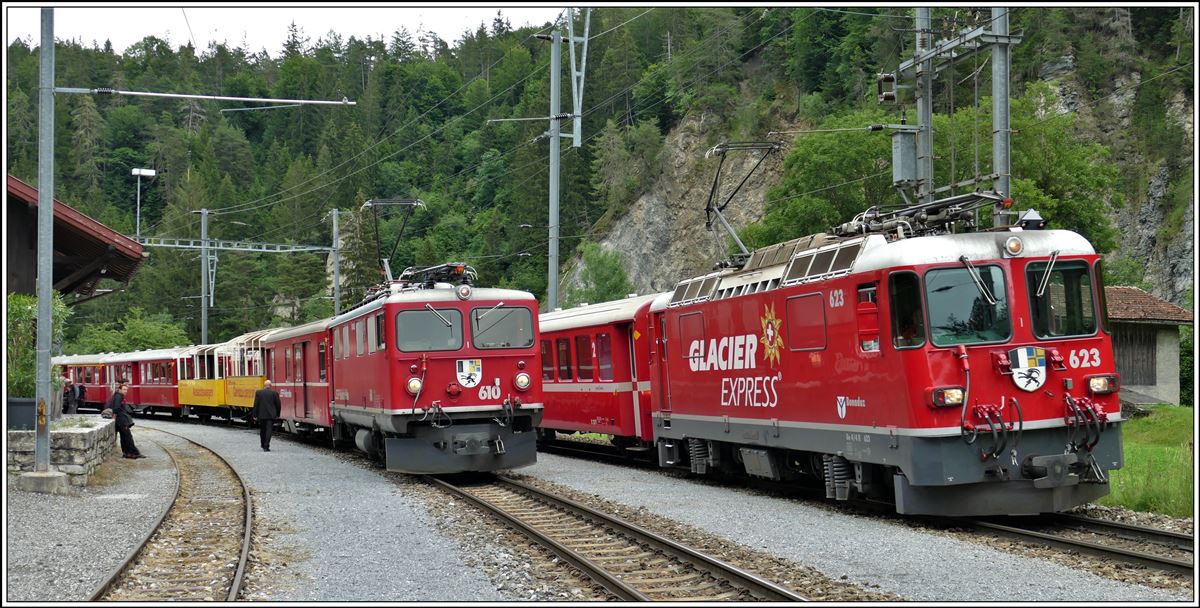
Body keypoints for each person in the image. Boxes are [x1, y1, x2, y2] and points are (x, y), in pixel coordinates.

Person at [110, 383, 144, 459]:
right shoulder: (119, 397)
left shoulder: (118, 396)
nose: (126, 391)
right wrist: (123, 413)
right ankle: (133, 453)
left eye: (126, 390)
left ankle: (126, 453)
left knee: (124, 437)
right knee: (128, 437)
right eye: (124, 389)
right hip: (121, 420)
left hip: (120, 419)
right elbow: (116, 408)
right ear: (120, 389)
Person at [251, 380, 281, 452]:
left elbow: (256, 404)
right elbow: (278, 405)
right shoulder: (274, 393)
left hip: (261, 415)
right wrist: (277, 414)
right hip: (271, 415)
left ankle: (262, 444)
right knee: (269, 430)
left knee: (262, 430)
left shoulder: (259, 393)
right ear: (270, 386)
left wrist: (254, 414)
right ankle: (266, 446)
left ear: (264, 385)